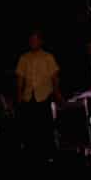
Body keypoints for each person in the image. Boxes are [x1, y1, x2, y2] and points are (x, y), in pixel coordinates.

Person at [15, 29, 61, 162]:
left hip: (44, 96)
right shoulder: (24, 58)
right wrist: (19, 95)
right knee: (30, 128)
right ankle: (33, 156)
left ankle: (49, 155)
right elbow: (20, 78)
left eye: (36, 40)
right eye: (31, 40)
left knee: (46, 127)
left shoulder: (48, 57)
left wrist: (57, 93)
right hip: (28, 97)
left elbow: (55, 77)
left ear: (40, 41)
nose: (33, 42)